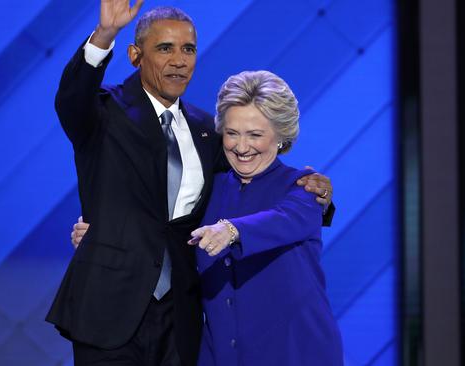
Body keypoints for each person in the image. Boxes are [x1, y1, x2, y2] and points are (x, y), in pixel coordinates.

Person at [48, 1, 334, 365]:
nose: (179, 60)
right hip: (108, 308)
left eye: (188, 49)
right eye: (165, 48)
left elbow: (252, 181)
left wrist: (318, 190)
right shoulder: (103, 112)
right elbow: (71, 99)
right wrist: (105, 34)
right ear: (135, 55)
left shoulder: (206, 131)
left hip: (181, 317)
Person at [189, 70, 343, 365]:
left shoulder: (304, 188)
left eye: (255, 135)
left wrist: (232, 230)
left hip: (296, 353)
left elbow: (283, 220)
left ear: (281, 135)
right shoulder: (210, 188)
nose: (242, 147)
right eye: (232, 133)